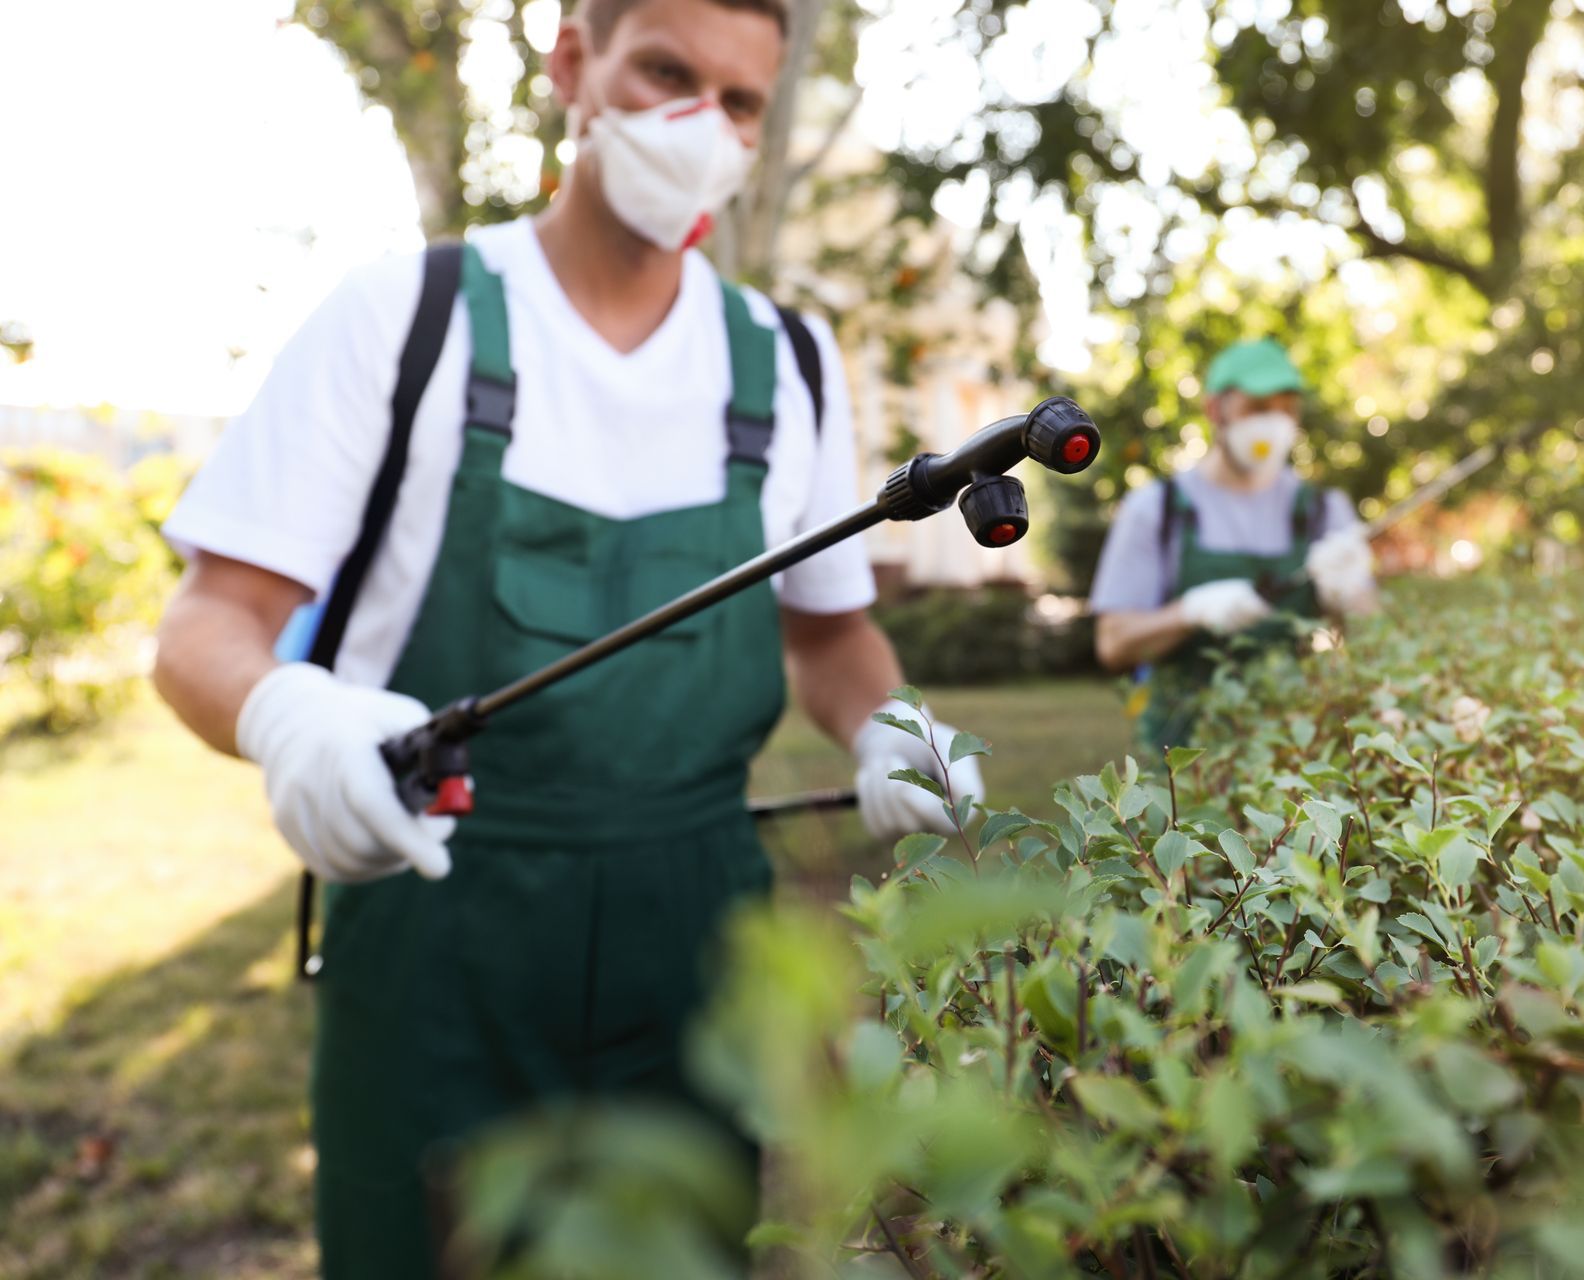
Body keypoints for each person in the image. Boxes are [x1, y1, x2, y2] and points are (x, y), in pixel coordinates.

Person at [151, 0, 978, 1272]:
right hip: (435, 925)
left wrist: (894, 724)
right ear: (573, 64)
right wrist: (287, 717)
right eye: (664, 71)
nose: (700, 122)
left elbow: (831, 639)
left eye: (740, 99)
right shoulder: (406, 320)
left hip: (693, 938)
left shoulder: (790, 367)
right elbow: (209, 625)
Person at [1087, 336, 1379, 749]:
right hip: (1185, 756)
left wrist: (1349, 592)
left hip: (1295, 751)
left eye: (1287, 409)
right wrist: (1191, 612)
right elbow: (1112, 644)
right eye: (1258, 409)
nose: (1275, 423)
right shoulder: (1157, 509)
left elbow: (1374, 641)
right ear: (1214, 410)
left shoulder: (1324, 511)